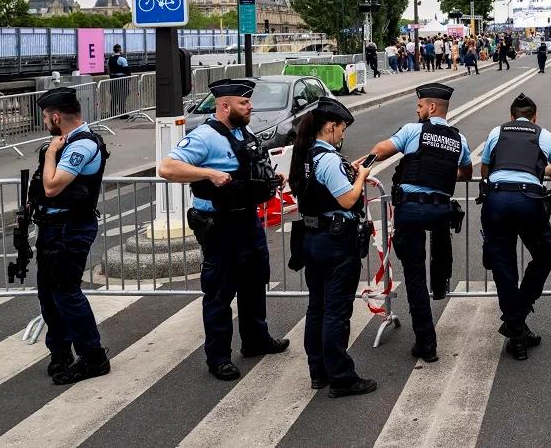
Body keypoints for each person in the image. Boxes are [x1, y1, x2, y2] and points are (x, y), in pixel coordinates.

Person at [159, 78, 290, 381]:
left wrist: (271, 183)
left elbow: (251, 170)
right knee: (219, 293)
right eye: (245, 103)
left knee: (254, 283)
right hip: (221, 226)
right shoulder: (204, 136)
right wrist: (208, 173)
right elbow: (167, 168)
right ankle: (218, 357)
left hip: (248, 221)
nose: (251, 107)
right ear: (225, 105)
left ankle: (256, 339)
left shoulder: (244, 133)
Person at [366, 83, 471, 362]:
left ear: (431, 107)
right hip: (440, 211)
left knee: (414, 275)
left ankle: (427, 343)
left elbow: (382, 149)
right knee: (439, 257)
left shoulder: (414, 131)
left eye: (420, 106)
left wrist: (357, 167)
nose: (418, 110)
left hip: (411, 211)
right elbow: (465, 172)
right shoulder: (459, 139)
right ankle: (440, 286)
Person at [288, 98, 377, 397]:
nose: (343, 135)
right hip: (336, 241)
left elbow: (319, 188)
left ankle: (319, 372)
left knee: (318, 307)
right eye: (341, 129)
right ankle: (341, 377)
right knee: (336, 311)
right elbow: (347, 200)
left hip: (312, 238)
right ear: (330, 126)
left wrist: (346, 173)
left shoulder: (304, 156)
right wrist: (361, 177)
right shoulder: (327, 159)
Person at [30, 87, 111, 385]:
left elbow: (52, 186)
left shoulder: (82, 145)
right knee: (49, 294)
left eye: (45, 117)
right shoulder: (68, 141)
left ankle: (93, 357)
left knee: (66, 292)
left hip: (71, 228)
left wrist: (52, 152)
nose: (44, 122)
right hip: (54, 227)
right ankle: (61, 353)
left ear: (55, 116)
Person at [479, 94, 551, 359]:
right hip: (528, 201)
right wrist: (538, 172)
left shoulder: (497, 132)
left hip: (496, 201)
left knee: (504, 267)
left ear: (510, 116)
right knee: (544, 254)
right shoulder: (544, 135)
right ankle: (518, 319)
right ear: (534, 117)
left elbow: (485, 171)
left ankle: (516, 329)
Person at [107, 44, 131, 118]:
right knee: (122, 96)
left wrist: (111, 76)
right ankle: (122, 113)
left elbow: (108, 70)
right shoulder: (122, 59)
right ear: (120, 50)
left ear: (113, 50)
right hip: (122, 80)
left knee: (114, 97)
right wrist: (129, 78)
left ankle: (113, 113)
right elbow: (127, 70)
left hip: (113, 80)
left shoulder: (109, 59)